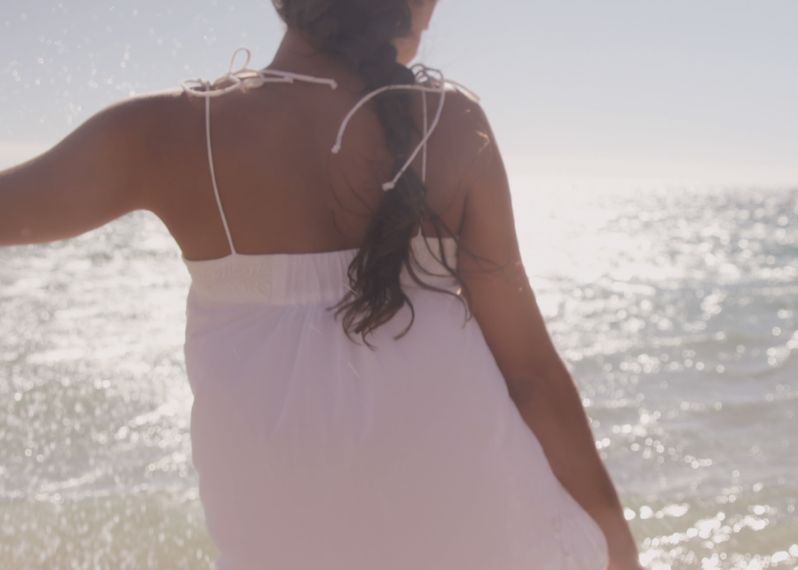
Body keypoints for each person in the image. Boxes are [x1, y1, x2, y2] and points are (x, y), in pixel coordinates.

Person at [0, 0, 644, 568]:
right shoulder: (453, 126)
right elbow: (530, 371)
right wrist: (619, 547)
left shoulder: (166, 134)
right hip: (493, 542)